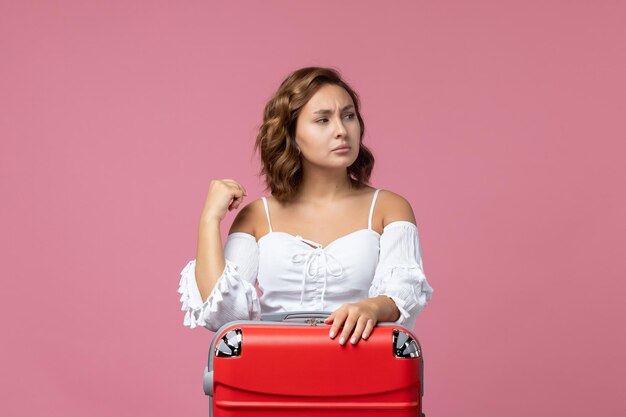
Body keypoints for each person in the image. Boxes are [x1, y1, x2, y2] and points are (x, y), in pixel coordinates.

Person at [178, 67, 434, 346]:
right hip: (271, 368)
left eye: (348, 116)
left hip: (363, 369)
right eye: (323, 120)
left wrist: (372, 307)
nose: (341, 130)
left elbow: (405, 292)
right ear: (292, 135)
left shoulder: (389, 208)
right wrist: (209, 220)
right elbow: (224, 318)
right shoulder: (257, 216)